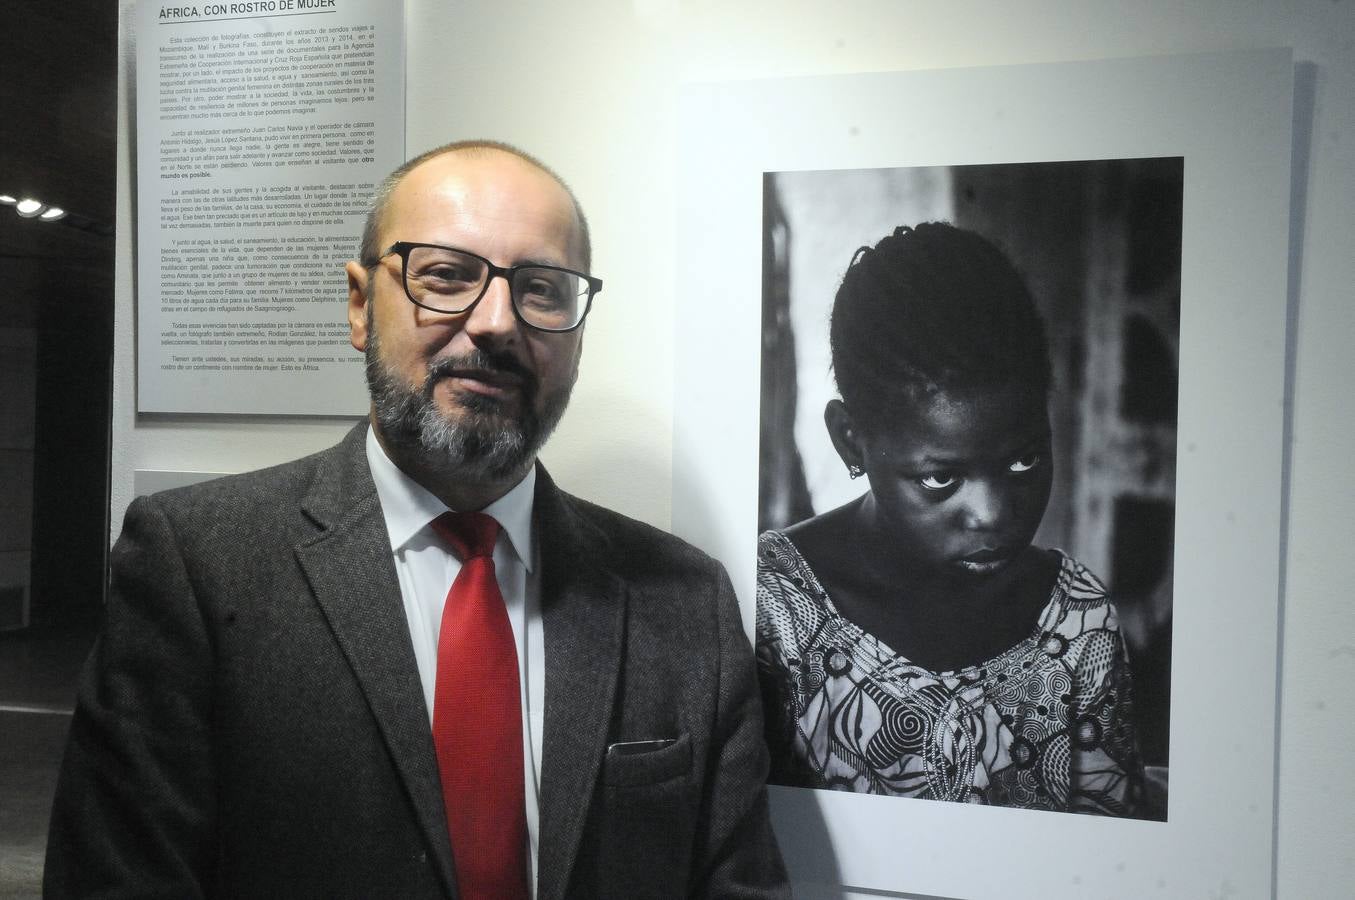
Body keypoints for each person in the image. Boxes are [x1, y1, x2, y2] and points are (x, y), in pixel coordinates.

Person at [46, 141, 789, 898]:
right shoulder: (198, 563)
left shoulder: (682, 598)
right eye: (446, 276)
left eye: (541, 288)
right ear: (361, 306)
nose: (496, 322)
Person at [756, 222, 1142, 816]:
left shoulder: (1078, 622)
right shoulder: (772, 614)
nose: (993, 516)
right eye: (941, 478)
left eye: (1024, 459)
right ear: (851, 441)